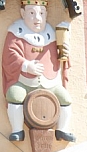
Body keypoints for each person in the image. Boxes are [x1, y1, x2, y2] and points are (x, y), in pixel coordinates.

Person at [2, 0, 75, 142]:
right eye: (32, 13)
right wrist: (26, 65)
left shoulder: (52, 34)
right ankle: (17, 130)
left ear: (46, 14)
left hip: (50, 82)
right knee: (14, 95)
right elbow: (9, 55)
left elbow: (61, 56)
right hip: (25, 81)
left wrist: (65, 50)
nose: (37, 18)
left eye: (41, 13)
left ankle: (61, 130)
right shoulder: (16, 32)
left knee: (65, 99)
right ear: (23, 13)